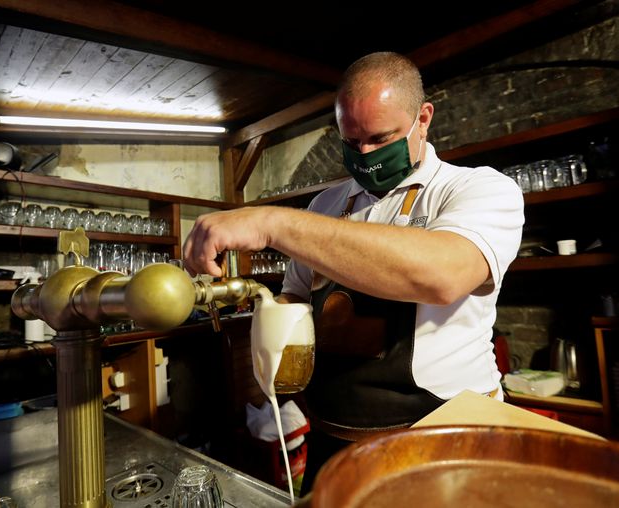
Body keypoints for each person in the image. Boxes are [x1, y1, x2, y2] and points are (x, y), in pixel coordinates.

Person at [183, 51, 524, 491]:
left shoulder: (478, 189)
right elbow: (297, 297)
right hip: (335, 439)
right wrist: (274, 323)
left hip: (442, 440)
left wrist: (272, 221)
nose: (365, 156)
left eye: (381, 139)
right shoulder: (325, 207)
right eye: (352, 142)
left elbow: (440, 277)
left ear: (423, 119)